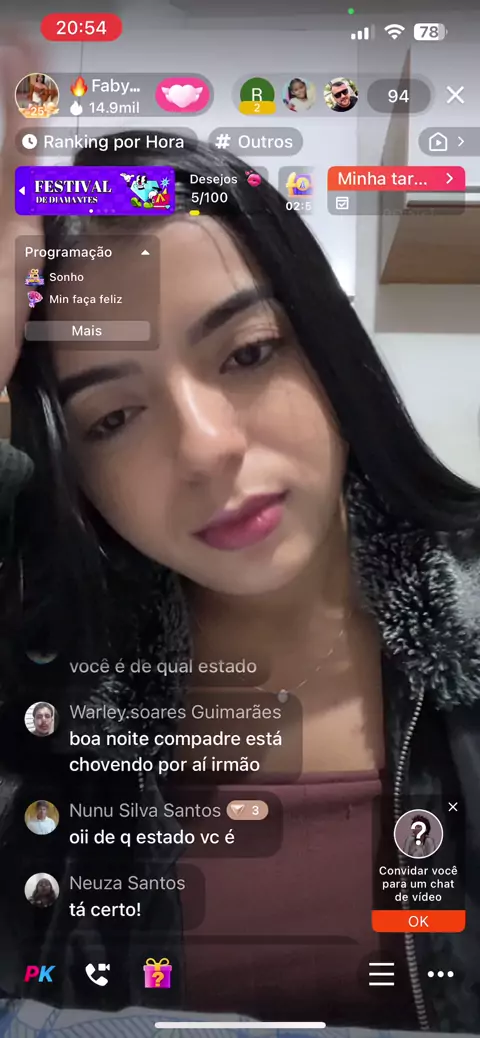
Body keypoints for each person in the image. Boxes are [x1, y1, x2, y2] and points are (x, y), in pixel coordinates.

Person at [0, 58, 479, 1030]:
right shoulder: (49, 690)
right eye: (113, 418)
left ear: (326, 345)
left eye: (250, 353)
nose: (206, 448)